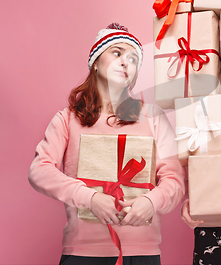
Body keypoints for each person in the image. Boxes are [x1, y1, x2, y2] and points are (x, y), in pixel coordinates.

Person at [29, 23, 185, 265]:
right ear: (94, 61)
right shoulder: (67, 119)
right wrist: (89, 198)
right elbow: (39, 170)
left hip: (142, 253)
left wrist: (151, 201)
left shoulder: (152, 117)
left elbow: (174, 180)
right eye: (117, 52)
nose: (125, 62)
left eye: (133, 59)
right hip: (82, 254)